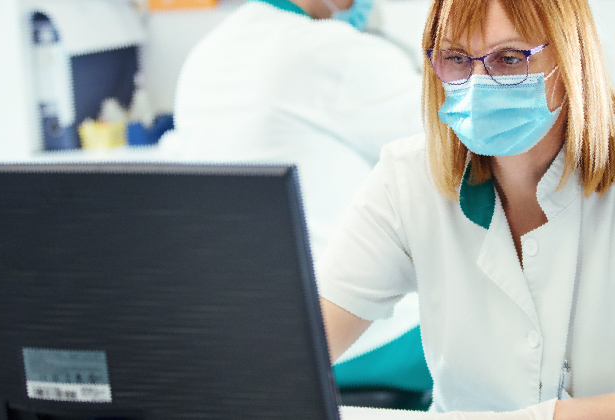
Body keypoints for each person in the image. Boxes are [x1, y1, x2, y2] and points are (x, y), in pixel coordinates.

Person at [316, 0, 615, 419]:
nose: (478, 83)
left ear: (570, 59)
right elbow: (296, 355)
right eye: (456, 59)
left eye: (509, 58)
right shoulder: (407, 179)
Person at [165, 0, 431, 400]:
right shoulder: (333, 50)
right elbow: (455, 149)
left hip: (250, 342)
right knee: (503, 332)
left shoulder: (205, 55)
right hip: (360, 338)